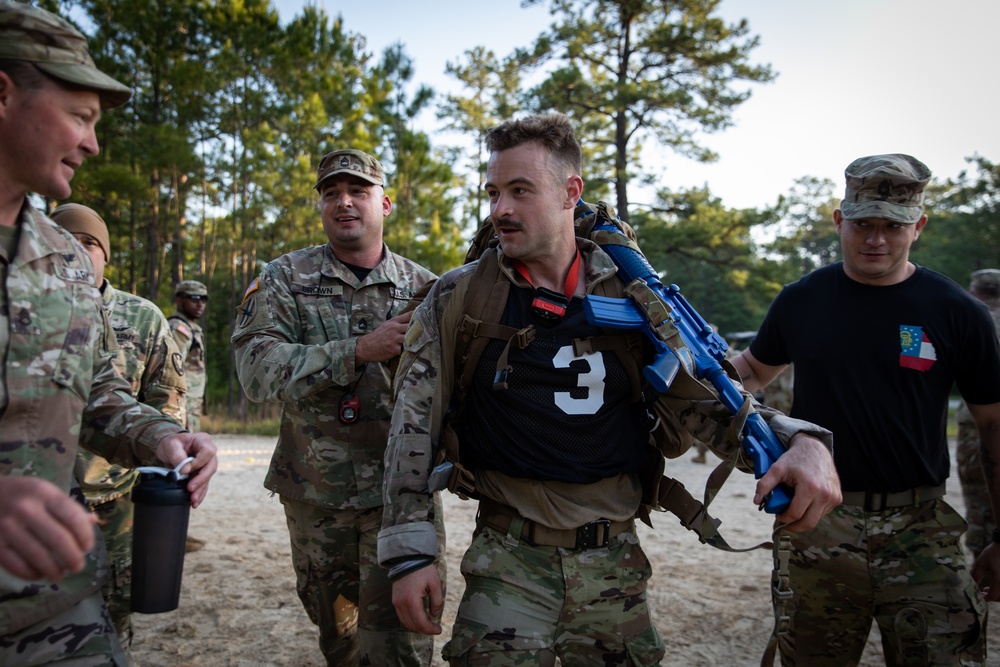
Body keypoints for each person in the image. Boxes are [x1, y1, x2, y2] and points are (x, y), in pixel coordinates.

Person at [378, 113, 841, 665]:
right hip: (507, 557)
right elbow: (411, 430)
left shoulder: (638, 295)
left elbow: (710, 401)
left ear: (570, 191)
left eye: (520, 191)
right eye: (494, 191)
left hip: (615, 561)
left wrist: (803, 441)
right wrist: (410, 556)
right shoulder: (460, 296)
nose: (500, 209)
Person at [0, 3, 218, 665]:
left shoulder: (65, 261)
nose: (93, 143)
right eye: (81, 116)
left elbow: (99, 394)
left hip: (51, 606)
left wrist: (161, 434)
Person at [730, 154, 1000, 666]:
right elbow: (749, 371)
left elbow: (993, 425)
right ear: (839, 220)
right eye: (863, 224)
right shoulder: (802, 300)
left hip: (922, 532)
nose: (876, 239)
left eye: (893, 226)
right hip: (817, 526)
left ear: (917, 226)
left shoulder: (957, 312)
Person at [231, 148, 437, 666]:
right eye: (331, 194)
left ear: (385, 203)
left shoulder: (426, 289)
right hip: (316, 498)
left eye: (358, 192)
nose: (344, 202)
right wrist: (356, 351)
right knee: (340, 641)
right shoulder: (284, 277)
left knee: (400, 644)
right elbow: (256, 372)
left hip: (399, 498)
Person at [52, 203, 188, 648]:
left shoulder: (143, 317)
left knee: (113, 614)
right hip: (39, 501)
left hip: (117, 499)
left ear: (105, 255)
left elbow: (164, 399)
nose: (78, 249)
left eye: (90, 242)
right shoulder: (28, 308)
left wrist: (166, 448)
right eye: (67, 239)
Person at [955, 268, 1000, 559]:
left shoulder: (974, 316)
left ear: (976, 290)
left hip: (977, 424)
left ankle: (983, 555)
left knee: (978, 496)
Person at [170, 279, 208, 431]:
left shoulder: (192, 328)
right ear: (179, 300)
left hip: (192, 403)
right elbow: (172, 370)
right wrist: (179, 406)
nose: (200, 304)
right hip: (182, 404)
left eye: (204, 299)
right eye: (194, 298)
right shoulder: (178, 329)